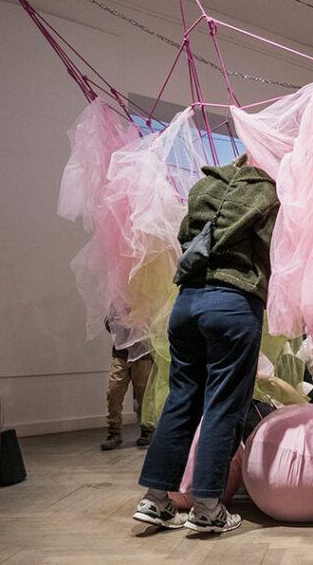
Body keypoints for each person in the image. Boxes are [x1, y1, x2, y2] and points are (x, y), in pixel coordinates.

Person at [133, 154, 279, 533]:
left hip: (187, 303)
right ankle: (208, 508)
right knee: (224, 404)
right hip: (233, 303)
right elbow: (273, 249)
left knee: (181, 400)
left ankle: (155, 499)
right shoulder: (266, 192)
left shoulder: (202, 187)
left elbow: (186, 236)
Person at [101, 315, 154, 451]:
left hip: (143, 355)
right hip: (121, 354)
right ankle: (114, 432)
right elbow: (108, 323)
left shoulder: (147, 305)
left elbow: (155, 325)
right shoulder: (117, 305)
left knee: (144, 394)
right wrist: (119, 321)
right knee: (114, 391)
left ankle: (147, 430)